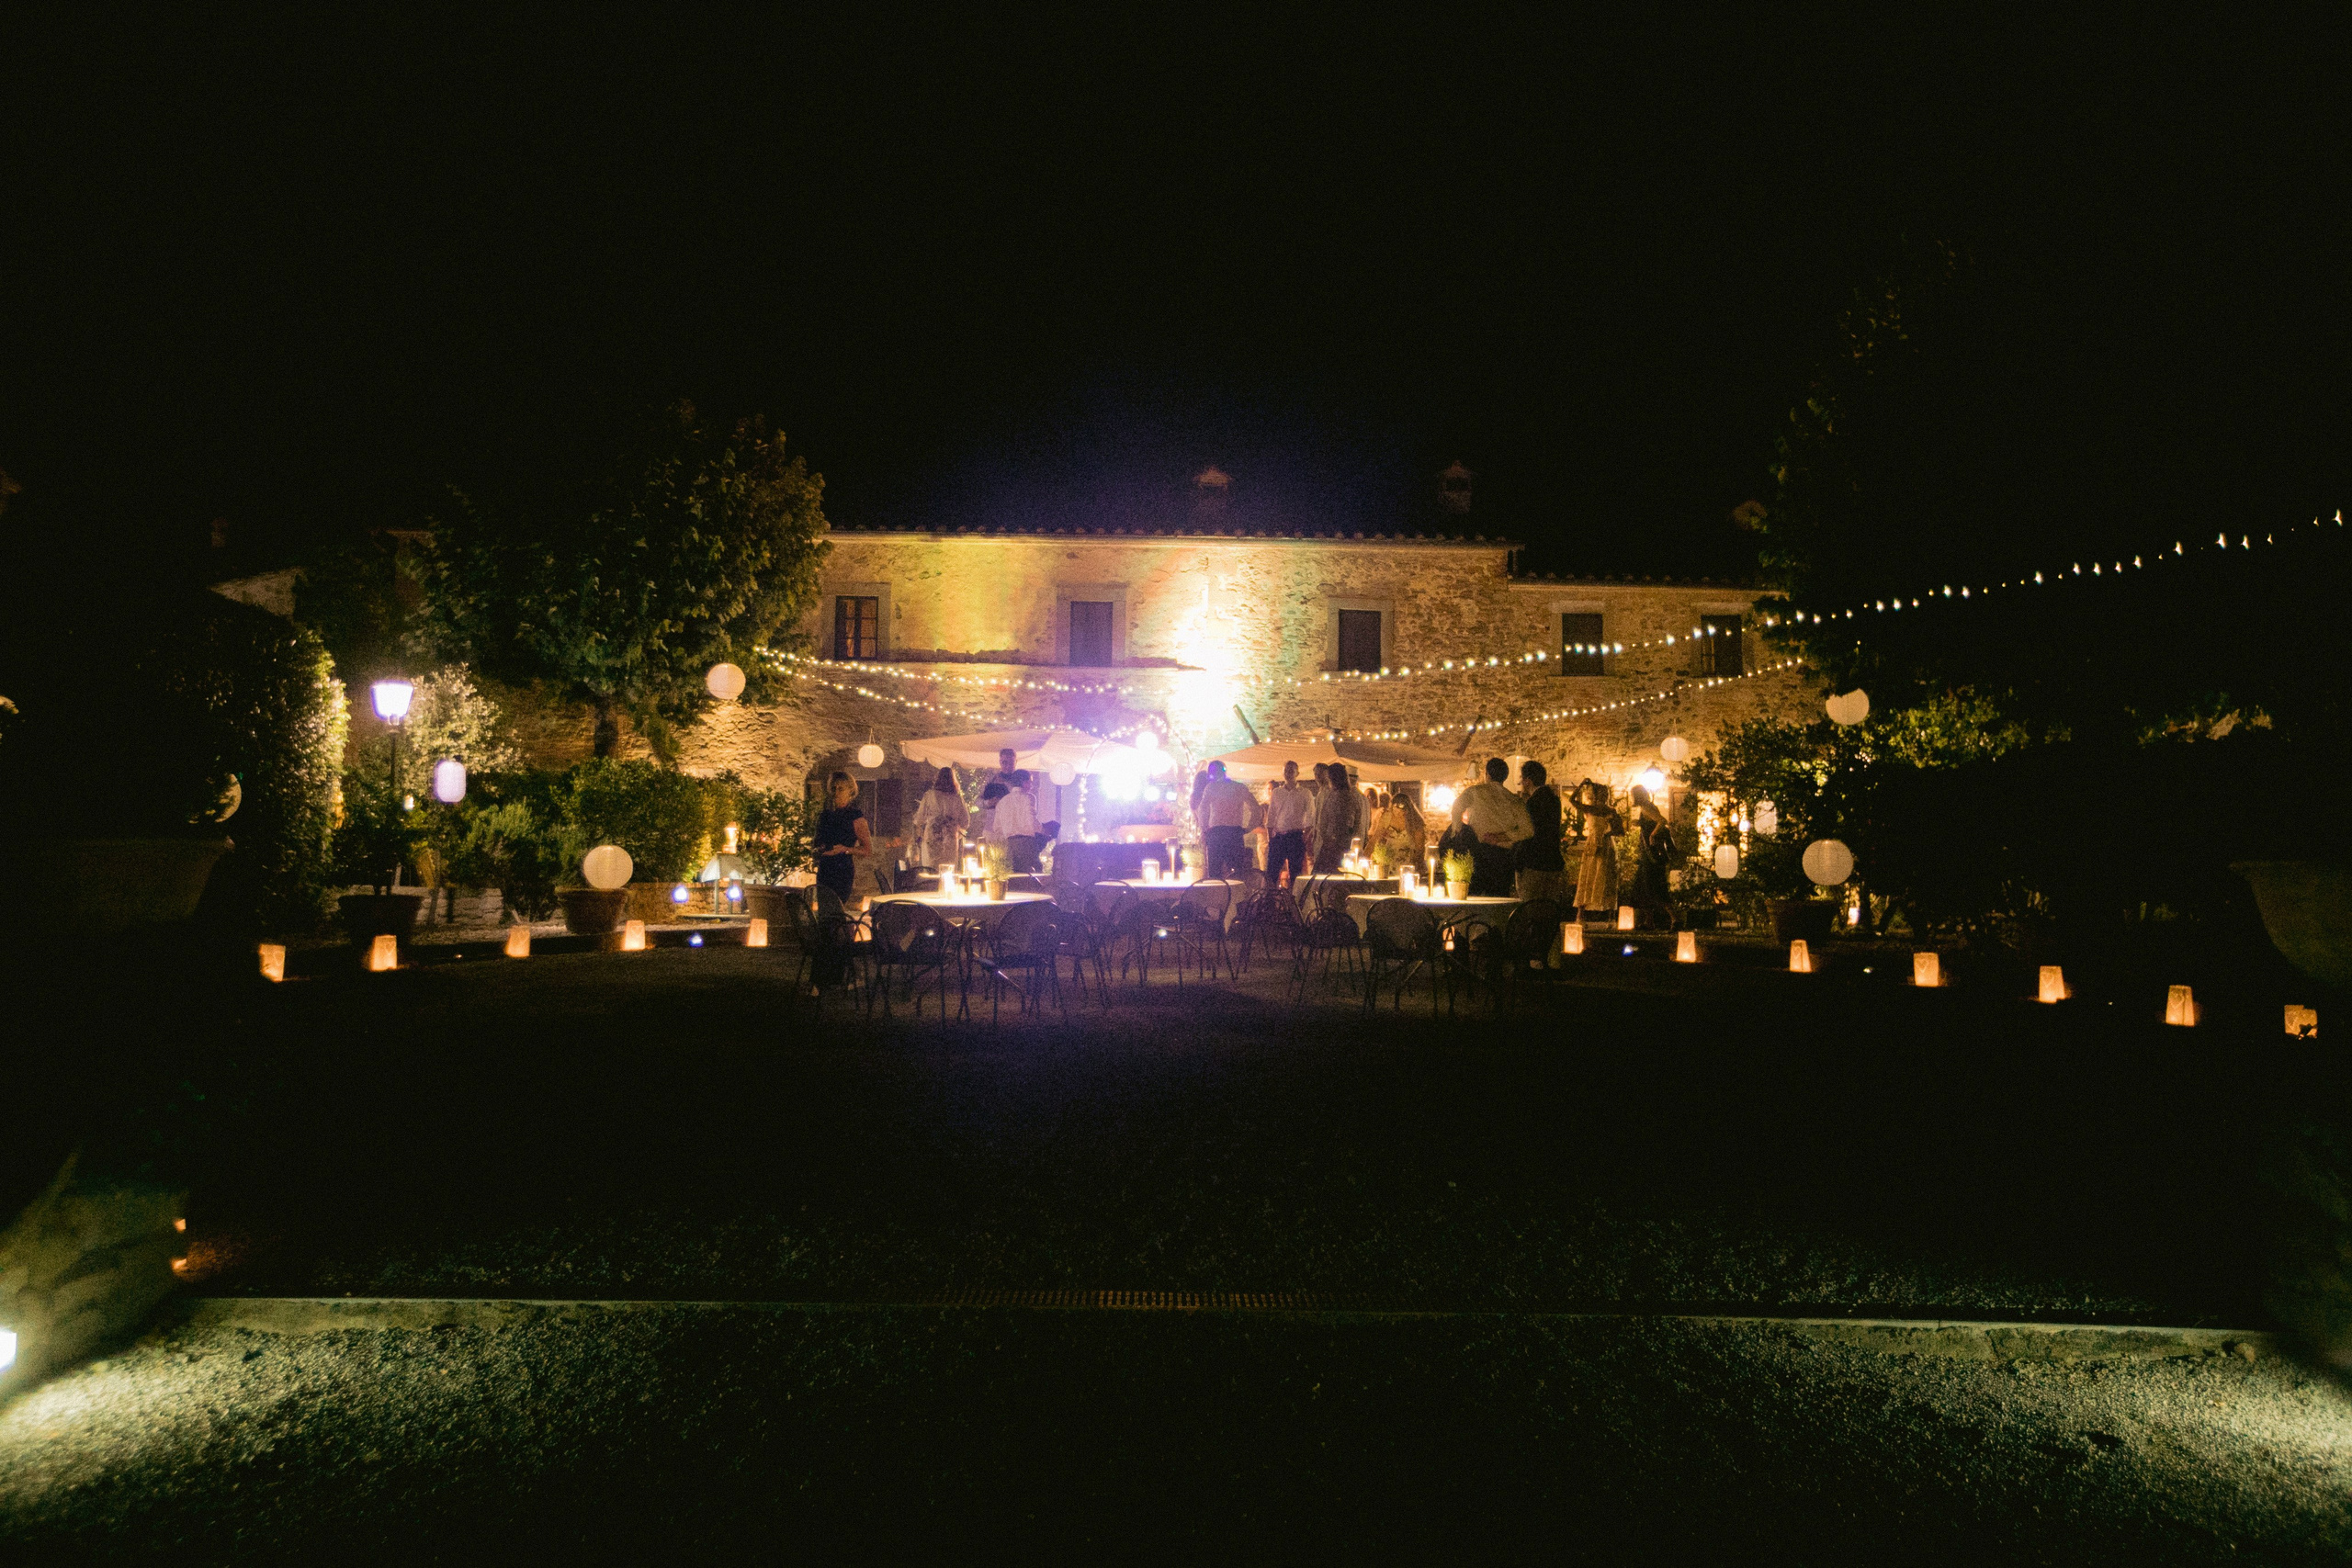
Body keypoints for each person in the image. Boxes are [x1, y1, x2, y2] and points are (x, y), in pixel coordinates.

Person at [1451, 757, 1532, 897]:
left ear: (1487, 775)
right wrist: (1502, 837)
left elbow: (1457, 808)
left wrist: (1459, 831)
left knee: (1473, 897)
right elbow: (1528, 830)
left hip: (1477, 852)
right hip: (1503, 857)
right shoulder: (1514, 800)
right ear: (1505, 777)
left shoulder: (1475, 792)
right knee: (1498, 898)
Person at [812, 771, 870, 906]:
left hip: (842, 870)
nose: (836, 792)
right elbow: (816, 843)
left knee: (836, 910)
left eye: (840, 788)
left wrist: (845, 849)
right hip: (825, 869)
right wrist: (819, 849)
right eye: (833, 788)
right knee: (824, 911)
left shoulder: (856, 817)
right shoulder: (825, 815)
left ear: (850, 791)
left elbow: (866, 850)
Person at [1513, 760, 1567, 901]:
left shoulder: (1533, 802)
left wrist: (1518, 860)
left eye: (1522, 779)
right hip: (1552, 862)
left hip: (1534, 863)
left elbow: (1528, 833)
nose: (1521, 783)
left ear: (1528, 781)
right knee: (1548, 908)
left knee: (1530, 906)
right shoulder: (1555, 800)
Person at [1194, 760, 1257, 881]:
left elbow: (1202, 810)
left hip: (1216, 833)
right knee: (1237, 872)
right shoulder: (1239, 787)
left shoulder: (1211, 787)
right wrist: (1249, 827)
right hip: (1234, 833)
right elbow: (1255, 808)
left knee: (1215, 873)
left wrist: (1205, 828)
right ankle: (1237, 898)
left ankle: (1218, 897)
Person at [1629, 784, 1677, 928]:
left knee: (1653, 885)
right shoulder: (1647, 807)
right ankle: (1648, 920)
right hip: (1647, 854)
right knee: (1642, 885)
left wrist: (1653, 835)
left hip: (1651, 854)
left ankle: (1674, 918)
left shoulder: (1646, 807)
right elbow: (1651, 822)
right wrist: (1640, 823)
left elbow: (1662, 821)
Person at [1572, 780, 1622, 919]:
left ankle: (1610, 913)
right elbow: (1572, 800)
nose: (1603, 796)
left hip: (1606, 844)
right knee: (1588, 875)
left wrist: (1610, 828)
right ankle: (1580, 913)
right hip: (1592, 844)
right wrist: (1581, 785)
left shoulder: (1611, 811)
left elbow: (1619, 830)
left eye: (1605, 794)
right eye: (1600, 793)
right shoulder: (1589, 809)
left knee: (1606, 876)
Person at [1264, 758, 1313, 886]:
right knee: (1272, 873)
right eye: (1286, 770)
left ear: (1297, 773)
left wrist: (1305, 836)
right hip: (1279, 837)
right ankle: (1269, 902)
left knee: (1296, 874)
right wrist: (1271, 839)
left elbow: (1311, 817)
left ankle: (1293, 903)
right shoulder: (1277, 792)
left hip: (1296, 836)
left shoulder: (1305, 793)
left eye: (1292, 771)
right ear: (1283, 773)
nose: (1288, 773)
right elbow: (1271, 816)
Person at [910, 768, 967, 872]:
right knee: (948, 870)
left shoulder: (929, 796)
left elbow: (919, 819)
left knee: (932, 868)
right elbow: (965, 822)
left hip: (933, 837)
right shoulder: (957, 798)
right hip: (950, 839)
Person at [1312, 763, 1359, 873]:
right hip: (1342, 844)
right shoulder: (1350, 797)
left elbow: (1326, 822)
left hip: (1333, 846)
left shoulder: (1337, 797)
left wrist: (1328, 838)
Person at [995, 768, 1044, 872]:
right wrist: (1042, 830)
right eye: (1030, 782)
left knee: (1014, 877)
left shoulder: (1002, 801)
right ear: (1023, 782)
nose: (1031, 785)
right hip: (1027, 844)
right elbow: (1032, 821)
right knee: (1032, 876)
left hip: (1010, 844)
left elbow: (997, 827)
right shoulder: (1029, 797)